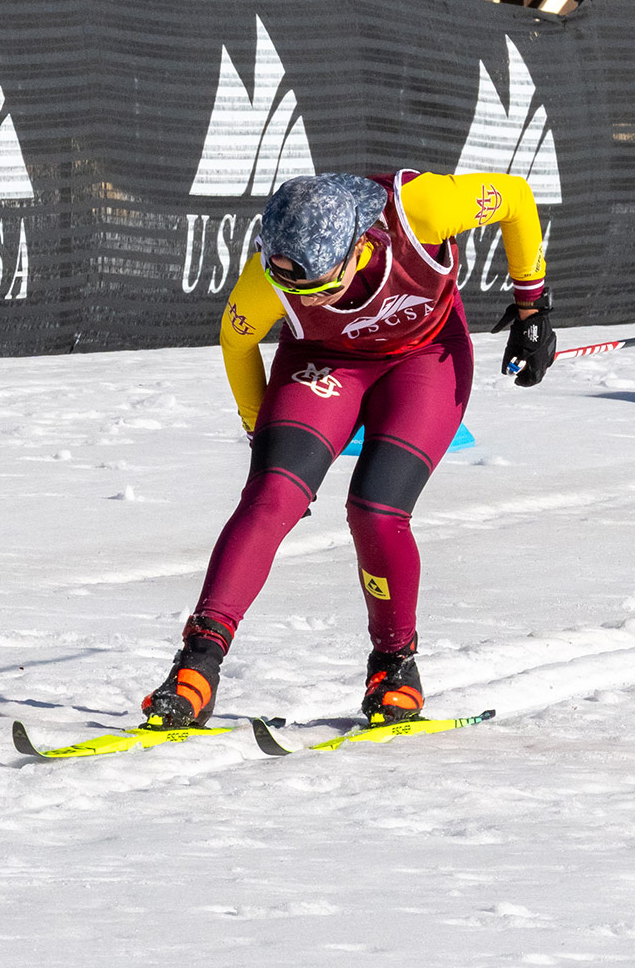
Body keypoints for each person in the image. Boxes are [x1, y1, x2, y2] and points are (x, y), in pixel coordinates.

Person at [140, 170, 556, 730]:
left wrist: (532, 305)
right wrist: (260, 434)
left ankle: (394, 667)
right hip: (325, 364)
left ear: (357, 249)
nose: (289, 292)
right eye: (282, 281)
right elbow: (237, 342)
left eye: (310, 286)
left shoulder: (422, 208)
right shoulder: (267, 280)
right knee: (270, 498)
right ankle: (196, 667)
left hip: (424, 357)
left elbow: (516, 199)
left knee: (376, 512)